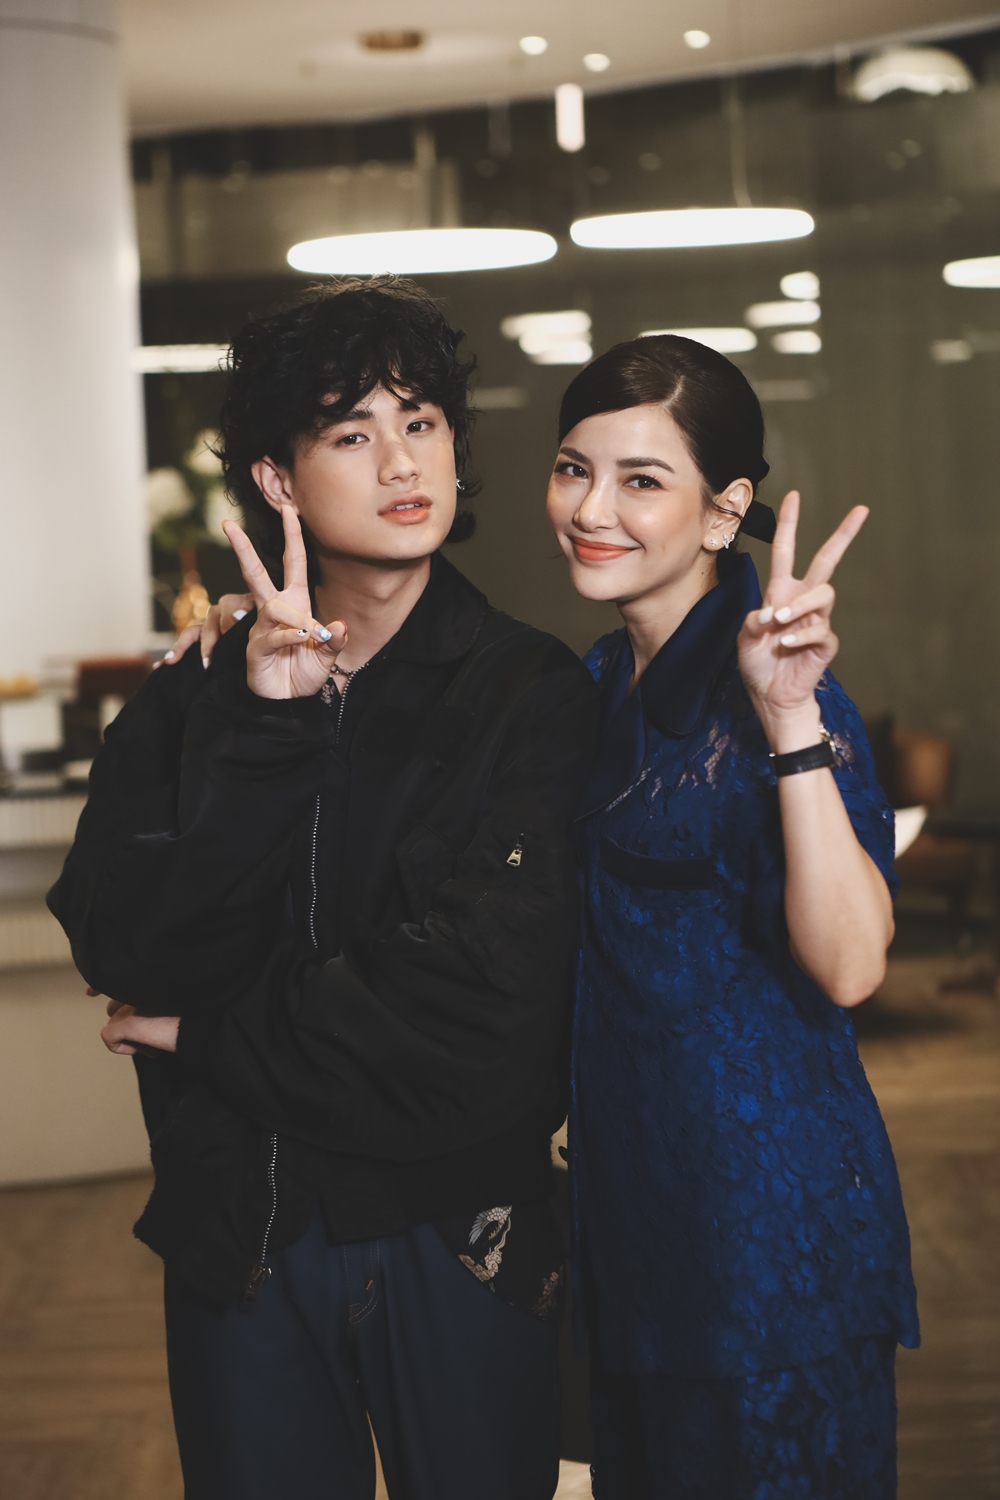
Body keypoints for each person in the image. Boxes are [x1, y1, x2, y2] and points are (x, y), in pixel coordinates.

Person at [49, 277, 598, 1500]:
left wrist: (208, 1035)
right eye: (352, 433)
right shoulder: (195, 696)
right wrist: (265, 724)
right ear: (278, 480)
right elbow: (129, 948)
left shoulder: (529, 695)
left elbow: (480, 1024)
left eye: (423, 422)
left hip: (460, 1234)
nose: (403, 462)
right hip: (238, 1227)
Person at [546, 335, 919, 1499]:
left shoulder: (792, 695)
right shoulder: (590, 684)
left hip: (768, 1231)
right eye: (573, 469)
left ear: (723, 510)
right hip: (631, 1217)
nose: (590, 509)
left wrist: (789, 721)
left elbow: (851, 967)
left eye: (640, 480)